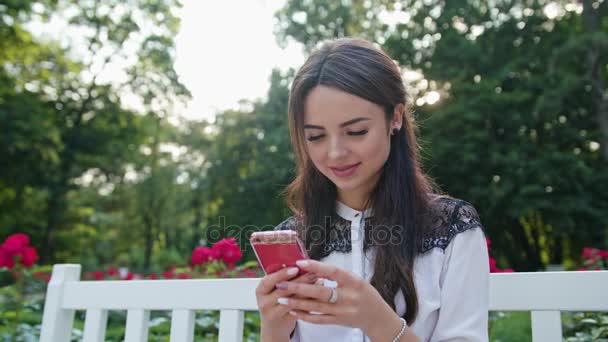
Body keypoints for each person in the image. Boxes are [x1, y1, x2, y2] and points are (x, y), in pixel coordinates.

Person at [254, 37, 489, 342]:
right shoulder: (294, 240)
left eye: (356, 131)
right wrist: (273, 330)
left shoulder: (453, 230)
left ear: (395, 117)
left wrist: (377, 320)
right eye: (316, 136)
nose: (335, 152)